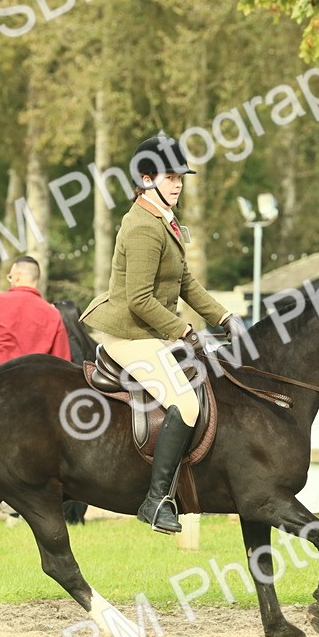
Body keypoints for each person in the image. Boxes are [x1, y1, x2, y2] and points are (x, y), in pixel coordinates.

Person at [80, 133, 248, 535]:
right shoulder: (141, 226)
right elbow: (138, 299)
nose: (177, 184)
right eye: (170, 177)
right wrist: (186, 331)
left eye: (180, 178)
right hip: (129, 334)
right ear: (146, 178)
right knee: (187, 405)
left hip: (152, 332)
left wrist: (226, 318)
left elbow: (186, 283)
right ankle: (156, 502)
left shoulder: (164, 221)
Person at [0, 257, 71, 372]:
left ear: (17, 276)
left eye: (10, 277)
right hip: (32, 379)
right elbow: (61, 361)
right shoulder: (53, 314)